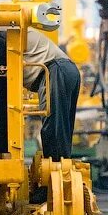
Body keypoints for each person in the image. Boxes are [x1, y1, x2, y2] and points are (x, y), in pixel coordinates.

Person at [23, 29, 79, 160]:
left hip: (56, 70)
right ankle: (59, 165)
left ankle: (56, 169)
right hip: (65, 69)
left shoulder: (0, 33)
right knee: (61, 129)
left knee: (54, 128)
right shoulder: (9, 28)